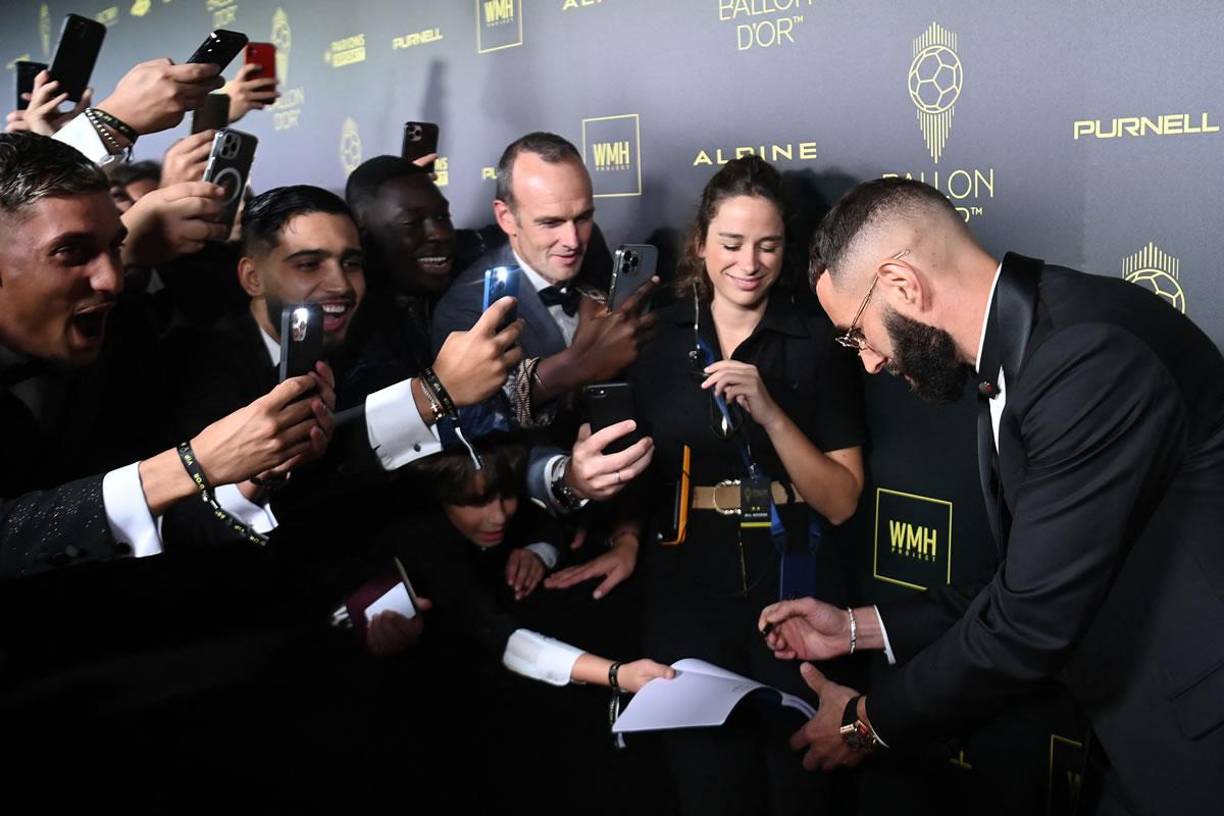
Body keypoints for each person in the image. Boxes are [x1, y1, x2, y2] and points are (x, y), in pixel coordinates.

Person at [764, 176, 1224, 816]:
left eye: (856, 333)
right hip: (1149, 730)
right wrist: (854, 628)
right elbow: (1025, 575)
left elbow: (1030, 620)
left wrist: (865, 721)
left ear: (903, 286)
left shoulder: (1083, 357)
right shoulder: (1023, 348)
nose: (866, 361)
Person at [622, 156, 866, 815]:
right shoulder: (657, 339)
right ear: (700, 242)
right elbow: (629, 475)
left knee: (801, 786)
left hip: (794, 589)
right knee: (707, 787)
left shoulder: (818, 340)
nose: (749, 262)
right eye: (731, 244)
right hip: (684, 590)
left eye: (768, 244)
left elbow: (843, 499)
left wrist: (771, 412)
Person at [0, 132, 333, 577]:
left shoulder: (124, 336)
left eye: (116, 247)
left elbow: (147, 527)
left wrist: (251, 476)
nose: (112, 280)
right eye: (70, 252)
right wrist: (192, 465)